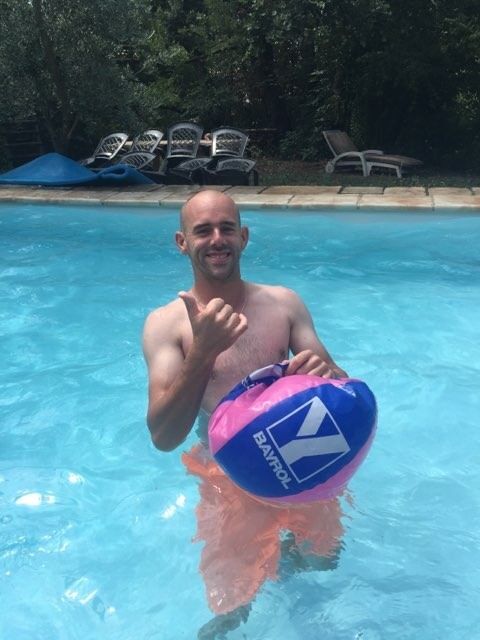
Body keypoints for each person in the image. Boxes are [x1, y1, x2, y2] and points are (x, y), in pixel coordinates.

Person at [143, 190, 347, 638]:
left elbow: (340, 386)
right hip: (227, 471)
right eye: (203, 230)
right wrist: (204, 352)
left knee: (322, 560)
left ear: (244, 236)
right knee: (233, 605)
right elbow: (163, 436)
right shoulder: (165, 325)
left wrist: (325, 374)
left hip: (301, 458)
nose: (217, 239)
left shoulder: (284, 305)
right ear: (182, 242)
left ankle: (286, 568)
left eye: (227, 228)